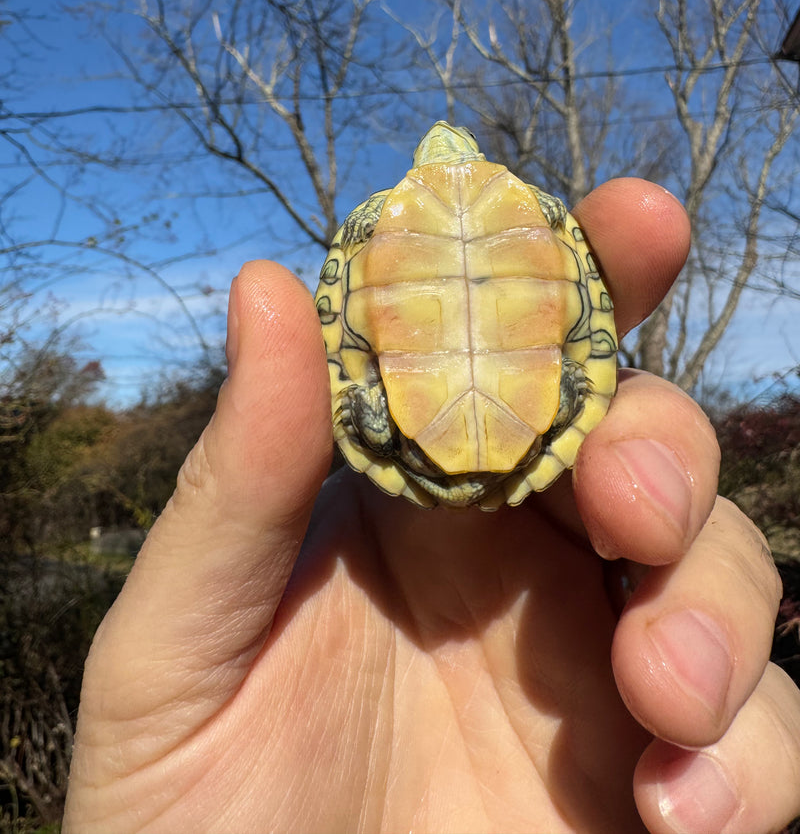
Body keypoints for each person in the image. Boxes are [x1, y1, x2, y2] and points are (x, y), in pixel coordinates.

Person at [62, 178, 800, 834]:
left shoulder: (384, 228)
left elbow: (355, 351)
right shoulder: (529, 221)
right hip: (506, 442)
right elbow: (582, 343)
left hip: (449, 446)